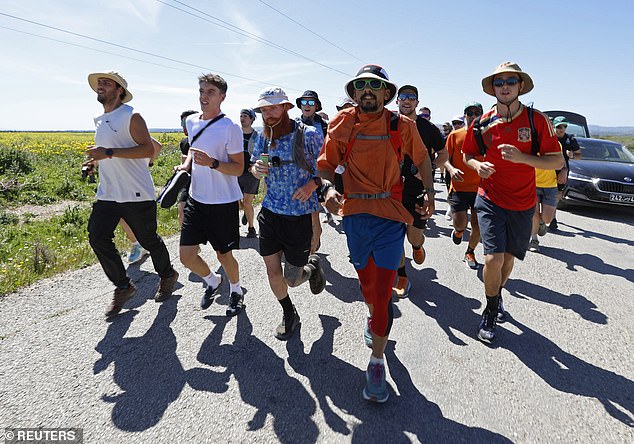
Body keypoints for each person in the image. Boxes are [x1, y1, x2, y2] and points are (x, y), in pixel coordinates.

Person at [318, 64, 434, 403]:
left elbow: (424, 159)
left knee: (382, 293)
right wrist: (326, 188)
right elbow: (326, 163)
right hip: (353, 214)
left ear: (387, 93)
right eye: (361, 84)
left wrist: (427, 190)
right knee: (368, 288)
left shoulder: (402, 125)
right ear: (354, 92)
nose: (368, 89)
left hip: (390, 216)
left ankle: (376, 360)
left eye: (375, 84)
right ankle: (374, 317)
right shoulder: (343, 122)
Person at [462, 62, 564, 343]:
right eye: (499, 82)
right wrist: (476, 167)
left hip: (522, 203)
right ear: (492, 89)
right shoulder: (482, 123)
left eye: (510, 81)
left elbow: (557, 160)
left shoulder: (536, 120)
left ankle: (497, 295)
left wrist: (523, 159)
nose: (504, 86)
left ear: (520, 86)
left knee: (507, 260)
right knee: (492, 258)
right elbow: (467, 155)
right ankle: (491, 309)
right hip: (490, 199)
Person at [84, 71, 179, 318]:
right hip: (108, 193)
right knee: (97, 237)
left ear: (119, 91)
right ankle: (123, 286)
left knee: (148, 240)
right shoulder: (99, 118)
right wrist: (93, 163)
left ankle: (168, 274)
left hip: (136, 193)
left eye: (106, 83)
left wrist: (109, 153)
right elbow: (106, 152)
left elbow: (148, 149)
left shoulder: (132, 116)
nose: (100, 86)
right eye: (99, 83)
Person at [250, 87, 326, 340]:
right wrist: (256, 170)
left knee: (292, 279)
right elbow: (255, 166)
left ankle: (312, 269)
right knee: (273, 272)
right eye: (263, 109)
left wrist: (313, 184)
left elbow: (329, 169)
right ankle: (289, 312)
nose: (267, 114)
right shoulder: (263, 136)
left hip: (299, 217)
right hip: (270, 213)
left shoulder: (311, 135)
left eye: (272, 108)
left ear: (285, 107)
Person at [177, 73, 245, 317]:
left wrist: (213, 163)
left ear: (222, 97)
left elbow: (239, 167)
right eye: (202, 91)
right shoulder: (192, 122)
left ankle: (236, 290)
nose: (204, 97)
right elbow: (192, 151)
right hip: (197, 198)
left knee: (223, 254)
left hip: (222, 202)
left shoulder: (231, 128)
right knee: (186, 256)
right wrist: (186, 165)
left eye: (211, 92)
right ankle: (212, 280)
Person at [393, 84, 440, 297]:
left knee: (413, 235)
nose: (406, 100)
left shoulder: (428, 128)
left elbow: (444, 153)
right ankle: (402, 275)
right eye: (403, 97)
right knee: (394, 236)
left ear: (417, 103)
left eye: (411, 97)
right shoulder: (388, 124)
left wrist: (429, 170)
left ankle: (417, 246)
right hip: (392, 190)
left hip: (417, 191)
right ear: (397, 101)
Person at [444, 102, 484, 269]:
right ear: (465, 115)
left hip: (481, 190)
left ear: (482, 115)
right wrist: (451, 169)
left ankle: (470, 252)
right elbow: (443, 158)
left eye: (476, 113)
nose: (473, 116)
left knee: (477, 225)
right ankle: (459, 231)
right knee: (461, 223)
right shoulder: (455, 135)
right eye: (469, 113)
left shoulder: (487, 136)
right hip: (459, 188)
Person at [296, 90, 327, 251]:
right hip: (299, 176)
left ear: (316, 106)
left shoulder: (323, 125)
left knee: (314, 215)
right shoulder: (294, 123)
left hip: (318, 175)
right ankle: (311, 241)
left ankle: (313, 250)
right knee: (305, 215)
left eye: (311, 103)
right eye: (304, 102)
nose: (307, 106)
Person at [550, 116, 582, 231]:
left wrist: (572, 155)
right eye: (559, 126)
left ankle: (553, 217)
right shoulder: (550, 138)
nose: (561, 129)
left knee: (558, 194)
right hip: (548, 169)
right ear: (554, 126)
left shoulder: (570, 139)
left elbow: (579, 156)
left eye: (564, 126)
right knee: (543, 193)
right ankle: (543, 217)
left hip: (563, 170)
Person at [237, 108, 260, 238]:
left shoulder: (257, 136)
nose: (242, 118)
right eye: (241, 116)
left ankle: (251, 228)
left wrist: (257, 166)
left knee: (247, 202)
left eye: (245, 116)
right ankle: (245, 212)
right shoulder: (235, 134)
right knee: (235, 201)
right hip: (236, 172)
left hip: (251, 173)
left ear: (251, 119)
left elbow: (263, 153)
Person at [175, 110, 198, 227]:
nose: (183, 126)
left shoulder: (203, 141)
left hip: (203, 184)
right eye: (182, 123)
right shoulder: (184, 143)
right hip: (188, 182)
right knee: (181, 211)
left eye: (185, 123)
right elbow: (184, 163)